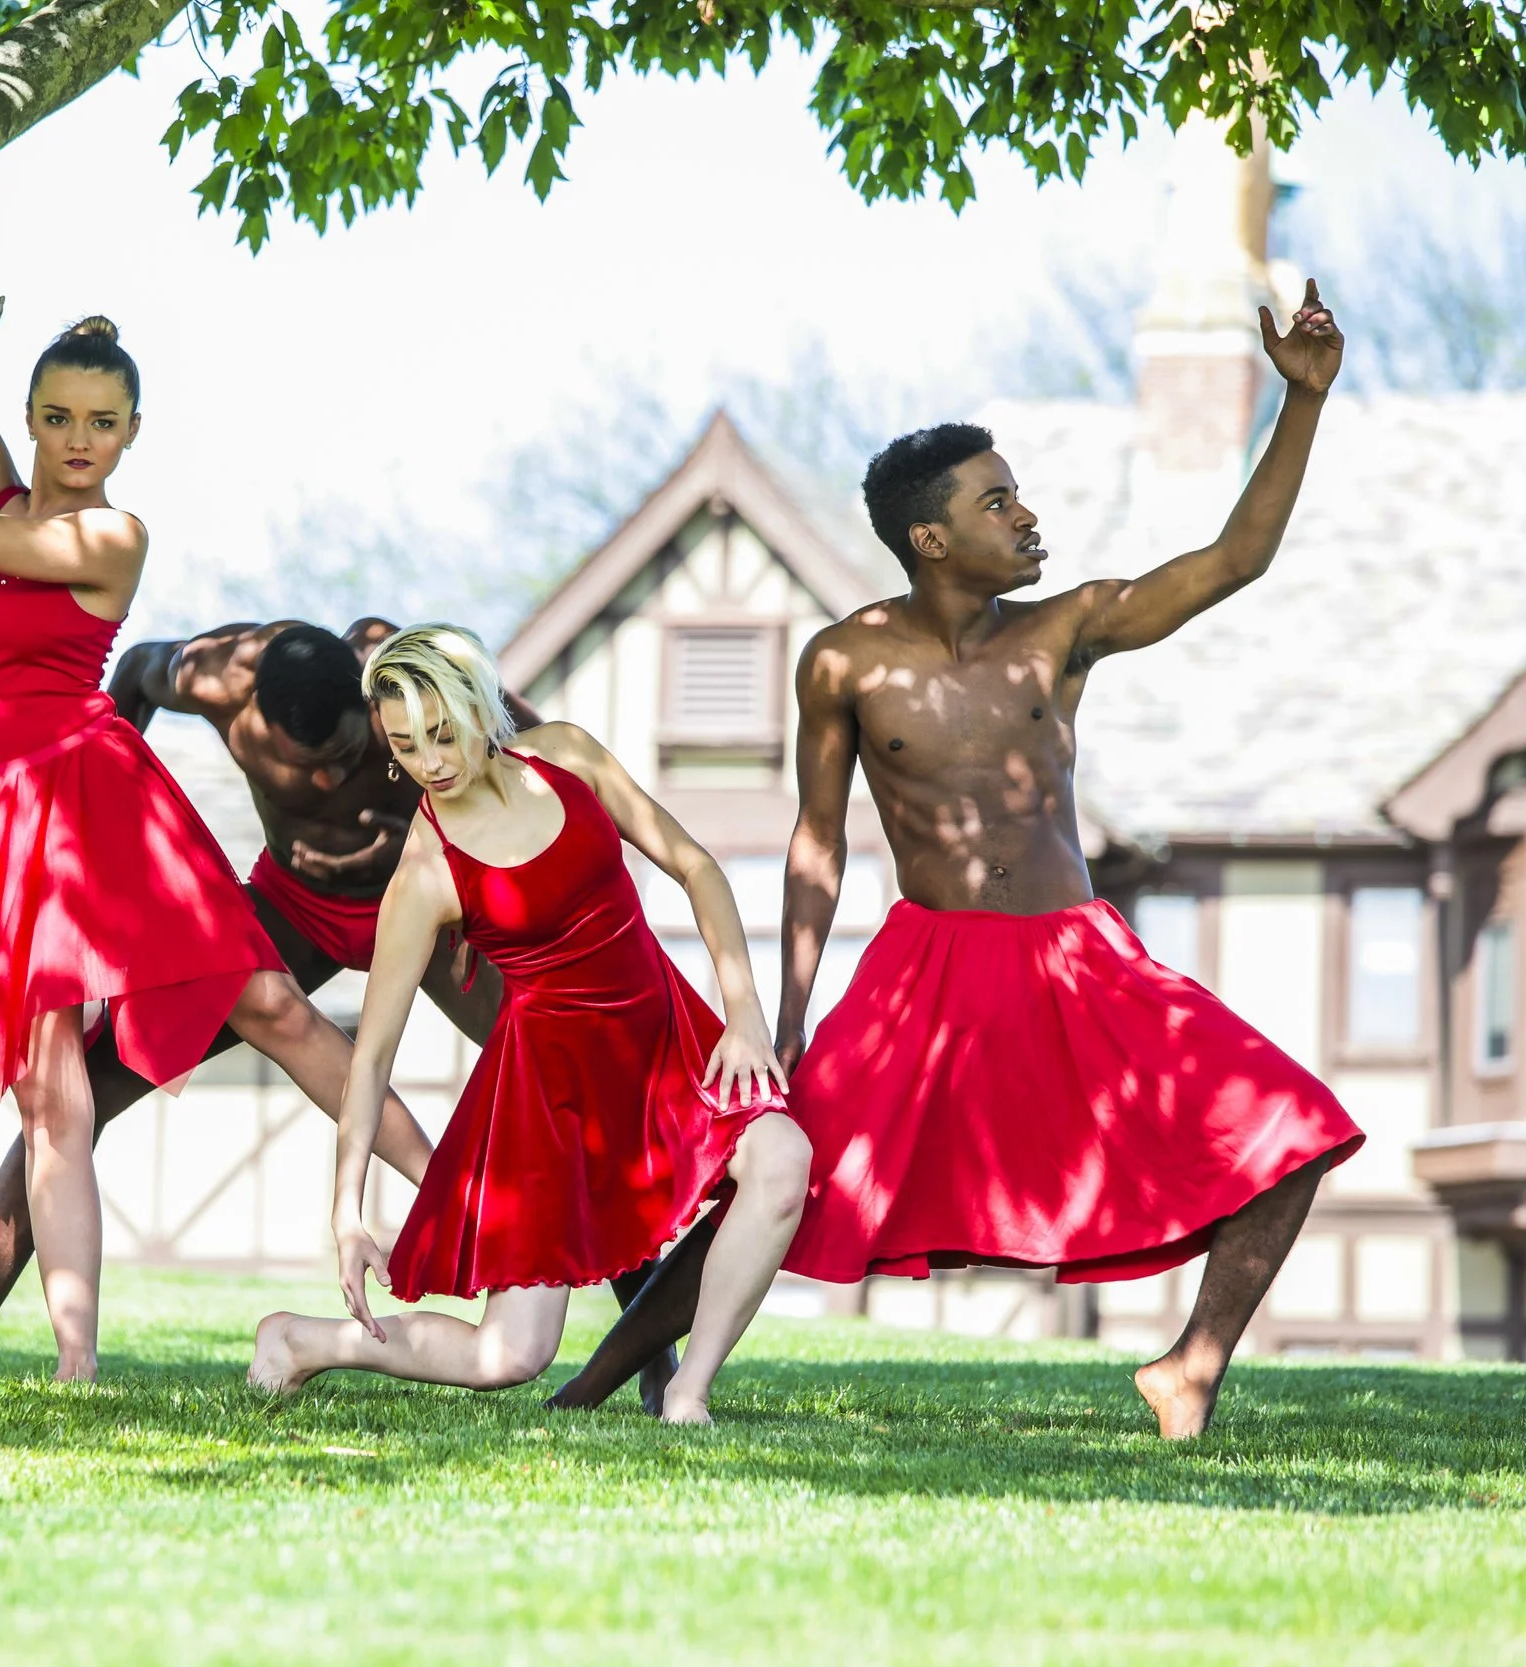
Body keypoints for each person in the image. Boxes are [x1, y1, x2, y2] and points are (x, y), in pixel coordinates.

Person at [550, 282, 1365, 1439]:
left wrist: (1302, 399)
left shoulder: (1067, 624)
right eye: (999, 501)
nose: (1027, 517)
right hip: (921, 972)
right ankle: (591, 1382)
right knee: (771, 1186)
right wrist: (784, 1017)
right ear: (931, 537)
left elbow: (1237, 555)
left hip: (1079, 960)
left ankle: (1189, 1364)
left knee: (1292, 1128)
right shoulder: (841, 661)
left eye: (1020, 495)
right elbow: (817, 838)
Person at [0, 197, 432, 1382]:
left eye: (104, 422)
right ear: (30, 418)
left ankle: (461, 1206)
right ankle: (75, 1364)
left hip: (101, 812)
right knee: (53, 1108)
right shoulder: (0, 490)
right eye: (59, 417)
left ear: (132, 433)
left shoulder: (111, 536)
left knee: (278, 1014)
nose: (80, 439)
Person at [0, 617, 687, 1410]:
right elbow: (120, 690)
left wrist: (502, 889)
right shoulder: (209, 677)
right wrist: (96, 836)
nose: (328, 784)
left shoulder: (399, 681)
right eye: (306, 767)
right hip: (293, 910)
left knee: (585, 1084)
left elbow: (530, 753)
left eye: (345, 758)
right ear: (253, 719)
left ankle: (649, 1355)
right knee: (77, 1090)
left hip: (430, 918)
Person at [246, 625, 813, 1424]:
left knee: (784, 1160)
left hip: (663, 1039)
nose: (429, 764)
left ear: (480, 706)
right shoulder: (425, 870)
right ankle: (302, 1340)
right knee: (509, 1355)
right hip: (551, 1098)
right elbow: (369, 1059)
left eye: (443, 735)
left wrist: (744, 1010)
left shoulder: (568, 756)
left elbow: (695, 865)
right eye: (405, 747)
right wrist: (346, 1211)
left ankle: (687, 1393)